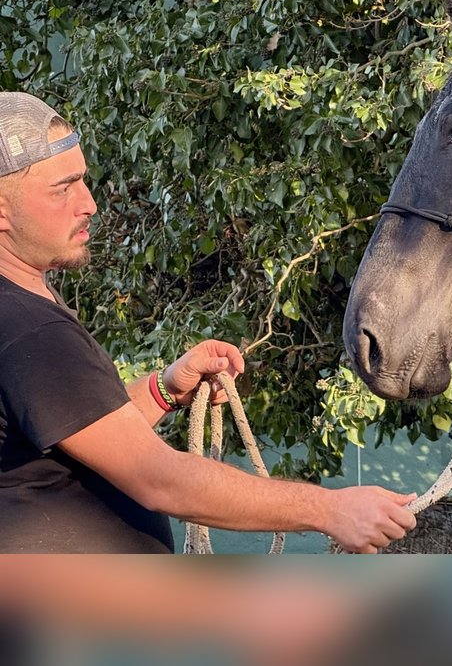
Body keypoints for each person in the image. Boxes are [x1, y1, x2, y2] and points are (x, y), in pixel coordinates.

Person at [0, 91, 417, 553]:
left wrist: (166, 389)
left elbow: (80, 438)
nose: (89, 203)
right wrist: (330, 509)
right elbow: (159, 479)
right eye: (63, 188)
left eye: (83, 180)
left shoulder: (22, 304)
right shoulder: (27, 329)